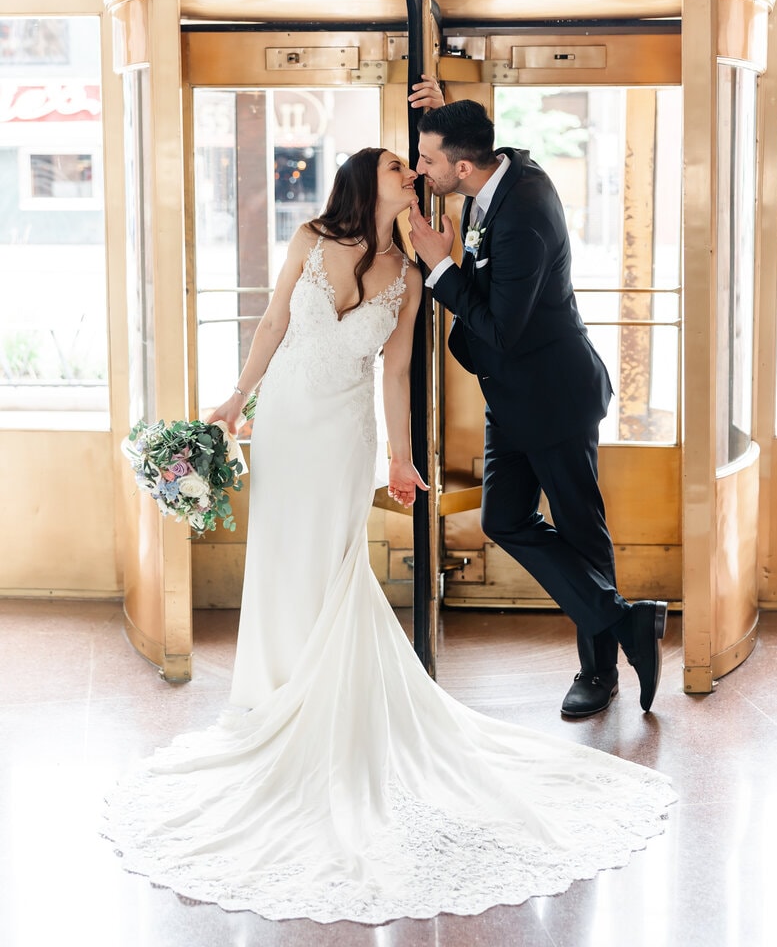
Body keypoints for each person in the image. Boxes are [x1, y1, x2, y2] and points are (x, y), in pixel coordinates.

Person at [103, 139, 675, 924]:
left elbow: (399, 375)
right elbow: (273, 323)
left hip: (343, 438)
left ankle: (328, 707)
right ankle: (274, 698)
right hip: (285, 425)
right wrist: (237, 399)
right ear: (364, 182)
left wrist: (403, 460)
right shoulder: (309, 239)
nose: (411, 175)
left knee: (335, 562)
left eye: (417, 166)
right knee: (281, 559)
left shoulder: (408, 279)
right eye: (397, 169)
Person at [408, 94, 669, 720]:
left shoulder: (522, 211)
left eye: (427, 159)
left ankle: (599, 672)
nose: (421, 171)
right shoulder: (493, 174)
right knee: (504, 519)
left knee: (581, 531)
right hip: (512, 396)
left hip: (554, 396)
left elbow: (501, 330)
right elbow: (466, 153)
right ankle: (625, 621)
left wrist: (440, 268)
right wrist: (445, 115)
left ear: (464, 169)